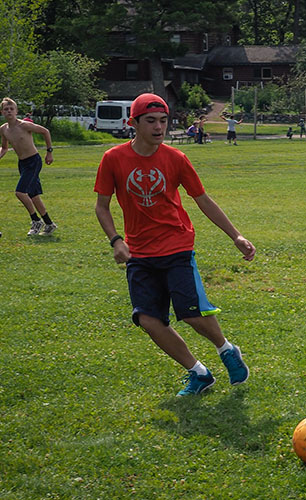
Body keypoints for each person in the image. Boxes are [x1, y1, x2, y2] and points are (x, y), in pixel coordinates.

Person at [94, 93, 256, 396]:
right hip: (139, 252)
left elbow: (203, 200)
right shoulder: (113, 158)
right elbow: (102, 206)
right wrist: (116, 240)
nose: (159, 127)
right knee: (148, 319)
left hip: (176, 246)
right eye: (151, 121)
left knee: (191, 314)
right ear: (134, 123)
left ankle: (226, 350)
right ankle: (199, 373)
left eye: (164, 121)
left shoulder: (176, 158)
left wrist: (236, 236)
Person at [0, 97, 58, 236]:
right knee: (33, 195)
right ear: (2, 112)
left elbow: (45, 131)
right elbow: (4, 148)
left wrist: (49, 152)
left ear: (16, 111)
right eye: (6, 109)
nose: (9, 111)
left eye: (11, 109)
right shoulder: (3, 129)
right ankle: (49, 224)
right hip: (22, 163)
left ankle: (36, 221)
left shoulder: (24, 125)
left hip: (34, 161)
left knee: (20, 192)